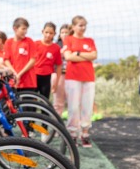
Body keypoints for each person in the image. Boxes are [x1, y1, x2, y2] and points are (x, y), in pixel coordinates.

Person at [62, 15, 97, 148]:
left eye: (84, 25)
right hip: (72, 77)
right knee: (73, 106)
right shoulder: (68, 39)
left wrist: (77, 53)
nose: (83, 28)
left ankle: (85, 133)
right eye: (80, 25)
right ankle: (73, 134)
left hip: (88, 77)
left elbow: (94, 55)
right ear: (73, 26)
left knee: (87, 106)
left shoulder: (90, 40)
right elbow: (68, 56)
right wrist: (85, 56)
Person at [5, 18, 38, 89]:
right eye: (23, 29)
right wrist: (14, 73)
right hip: (13, 80)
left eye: (26, 29)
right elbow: (7, 60)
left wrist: (19, 74)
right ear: (15, 29)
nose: (25, 31)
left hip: (28, 81)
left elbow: (32, 60)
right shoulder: (8, 42)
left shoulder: (29, 41)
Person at [33, 22, 59, 100]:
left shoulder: (56, 47)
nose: (48, 35)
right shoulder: (35, 44)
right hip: (34, 76)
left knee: (44, 100)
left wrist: (56, 82)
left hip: (46, 78)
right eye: (46, 32)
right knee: (32, 99)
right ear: (43, 32)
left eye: (51, 33)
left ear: (54, 34)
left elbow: (59, 65)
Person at [53, 24, 71, 115]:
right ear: (59, 34)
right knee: (58, 101)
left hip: (71, 75)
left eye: (66, 32)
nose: (64, 34)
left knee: (72, 100)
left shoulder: (73, 43)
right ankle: (56, 120)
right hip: (58, 74)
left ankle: (73, 121)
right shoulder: (56, 45)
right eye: (62, 32)